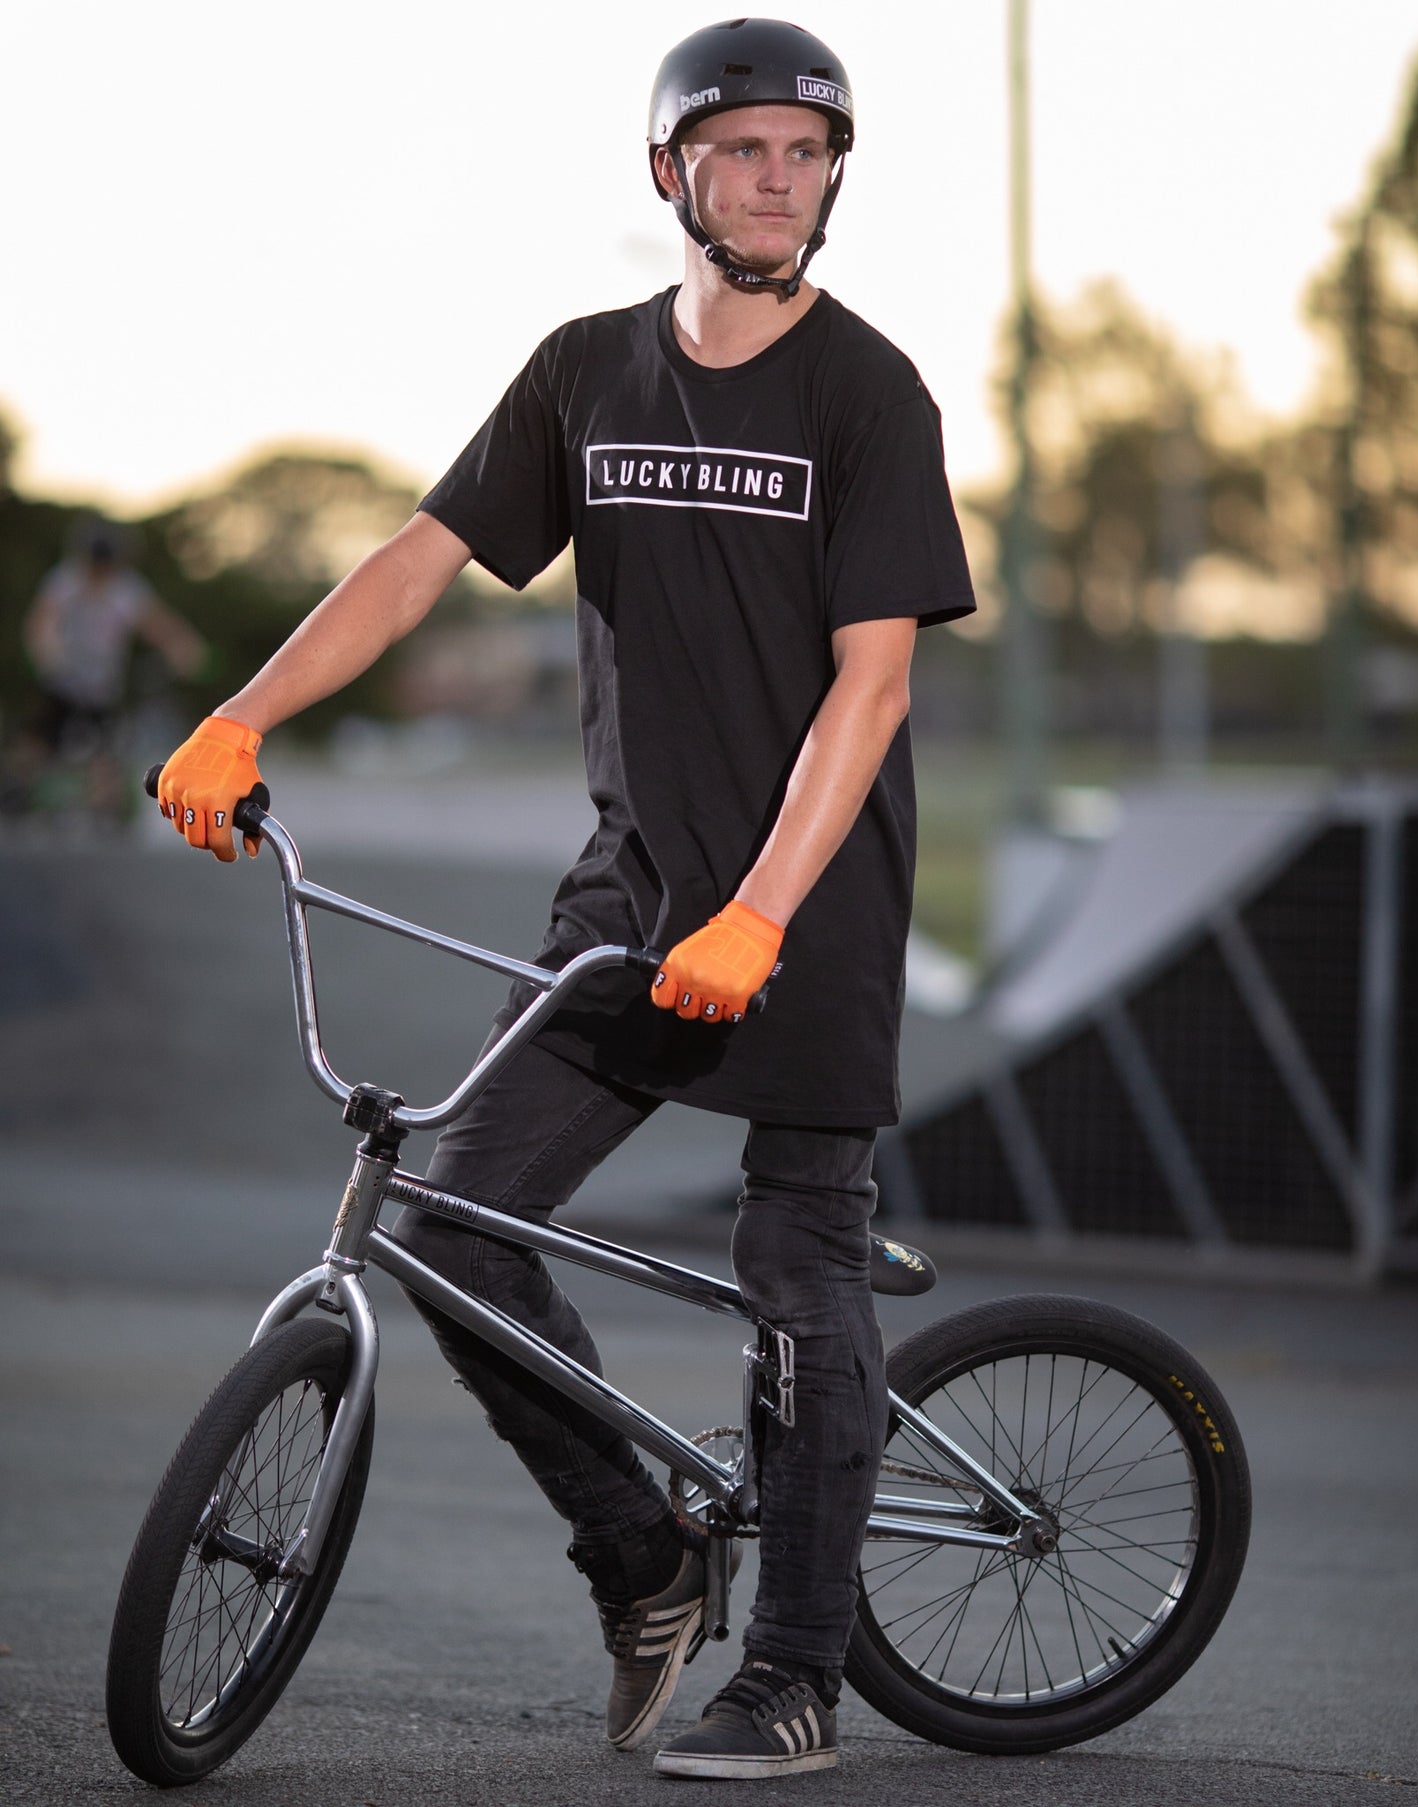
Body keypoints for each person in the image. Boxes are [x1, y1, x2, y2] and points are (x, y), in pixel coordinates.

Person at [155, 17, 974, 1780]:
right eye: (742, 149)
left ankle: (800, 1667)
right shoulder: (586, 371)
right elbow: (418, 560)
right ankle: (643, 1550)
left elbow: (874, 687)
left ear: (835, 176)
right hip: (628, 898)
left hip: (802, 911)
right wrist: (239, 712)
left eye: (806, 152)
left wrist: (758, 910)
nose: (776, 180)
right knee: (458, 1226)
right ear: (669, 170)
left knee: (795, 1265)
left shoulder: (867, 391)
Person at [15, 526, 206, 819]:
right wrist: (47, 650)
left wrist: (182, 646)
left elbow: (156, 624)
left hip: (101, 683)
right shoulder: (65, 582)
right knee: (42, 739)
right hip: (63, 679)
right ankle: (17, 790)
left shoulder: (126, 589)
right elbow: (43, 621)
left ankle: (104, 804)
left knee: (105, 743)